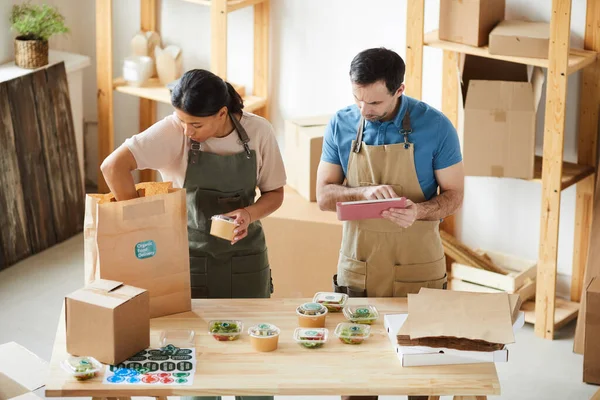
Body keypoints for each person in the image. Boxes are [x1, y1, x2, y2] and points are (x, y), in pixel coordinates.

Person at [101, 69, 286, 400]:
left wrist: (248, 214)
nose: (187, 131)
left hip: (246, 259)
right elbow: (113, 166)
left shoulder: (258, 132)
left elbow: (274, 193)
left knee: (253, 360)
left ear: (222, 113)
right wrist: (141, 223)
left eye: (196, 125)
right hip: (190, 260)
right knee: (200, 363)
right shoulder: (174, 131)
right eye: (181, 121)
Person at [316, 48, 464, 400]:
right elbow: (323, 196)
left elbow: (455, 195)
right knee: (357, 373)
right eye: (358, 99)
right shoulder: (341, 123)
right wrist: (362, 192)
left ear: (399, 90)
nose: (365, 111)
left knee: (421, 375)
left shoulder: (437, 126)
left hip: (419, 264)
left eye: (375, 103)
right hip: (359, 264)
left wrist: (420, 211)